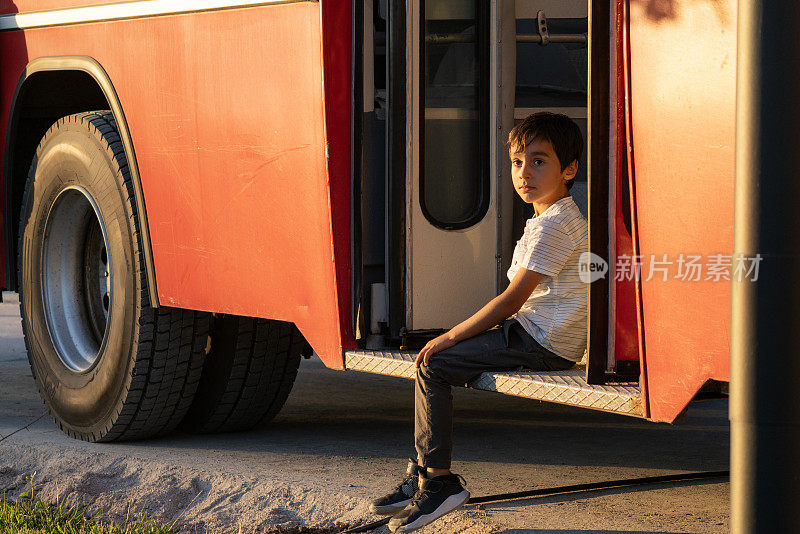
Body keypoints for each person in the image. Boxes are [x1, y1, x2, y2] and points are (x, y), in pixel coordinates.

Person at [370, 112, 590, 533]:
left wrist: (449, 335)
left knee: (433, 363)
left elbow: (511, 301)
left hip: (541, 341)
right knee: (434, 360)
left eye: (539, 161)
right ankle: (423, 472)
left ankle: (438, 482)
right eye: (517, 162)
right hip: (534, 333)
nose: (525, 173)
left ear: (569, 169)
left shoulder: (556, 226)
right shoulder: (549, 218)